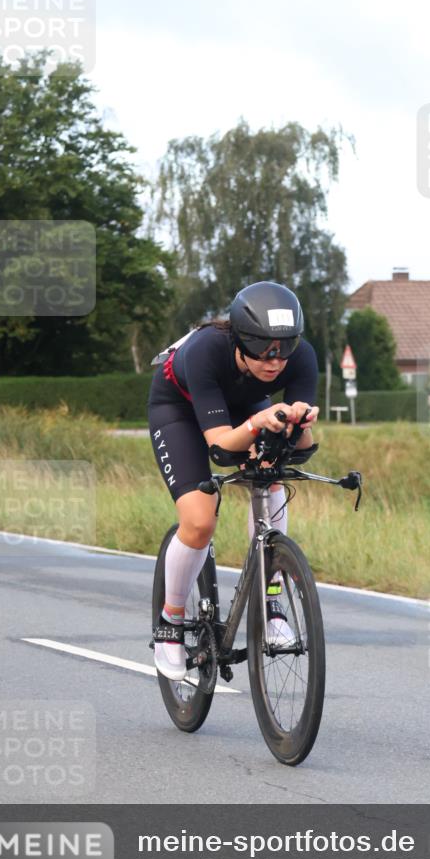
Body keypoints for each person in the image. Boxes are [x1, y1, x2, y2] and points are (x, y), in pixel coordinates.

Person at [148, 281, 319, 680]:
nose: (275, 362)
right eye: (262, 351)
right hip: (179, 409)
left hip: (242, 407)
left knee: (273, 476)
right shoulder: (207, 350)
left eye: (284, 350)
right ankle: (170, 623)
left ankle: (272, 602)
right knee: (200, 520)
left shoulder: (302, 356)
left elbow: (304, 447)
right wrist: (258, 422)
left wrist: (300, 423)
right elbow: (222, 449)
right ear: (241, 340)